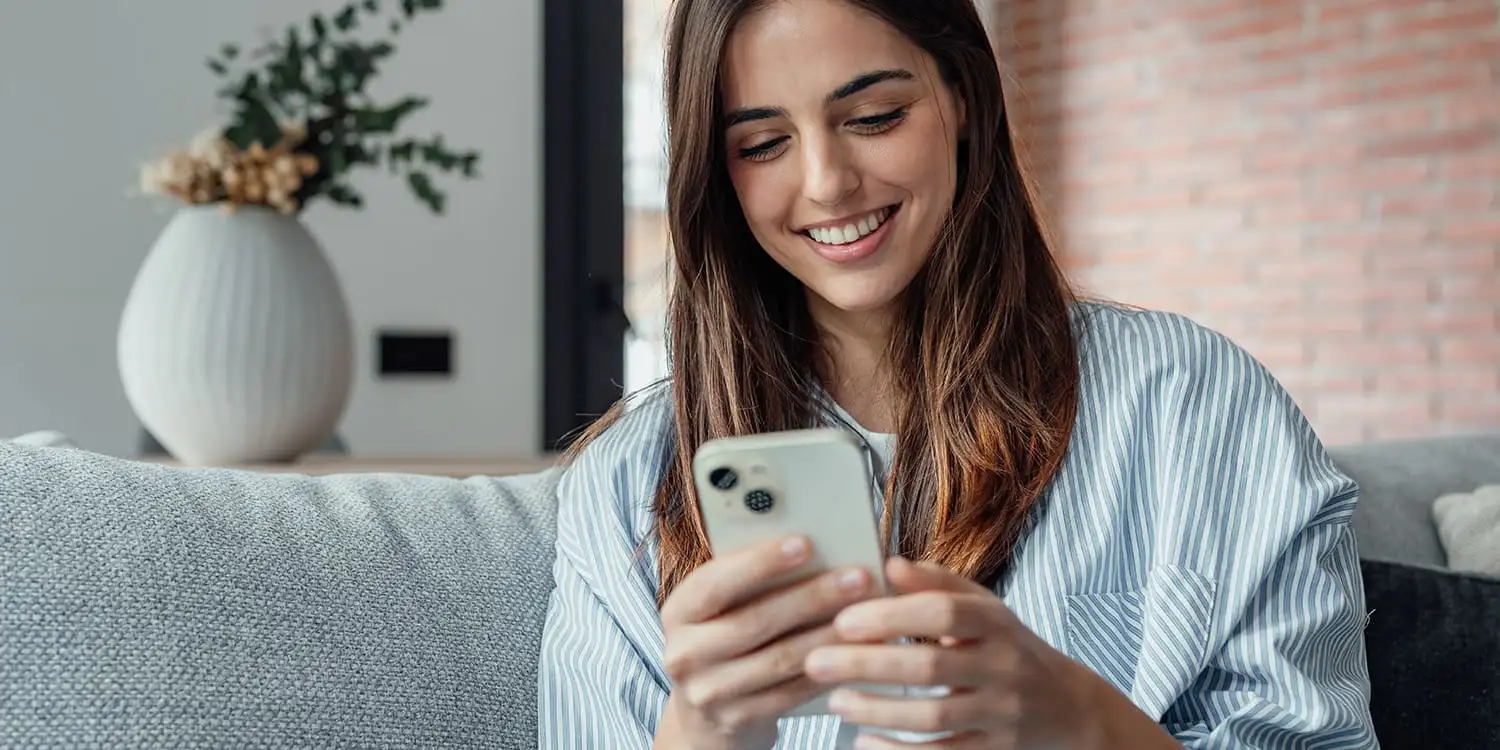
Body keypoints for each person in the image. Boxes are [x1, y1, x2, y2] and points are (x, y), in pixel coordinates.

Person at [538, 0, 1379, 747]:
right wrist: (701, 736)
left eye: (874, 116)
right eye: (762, 144)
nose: (827, 184)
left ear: (965, 96)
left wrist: (1082, 724)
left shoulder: (1195, 404)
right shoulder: (626, 488)